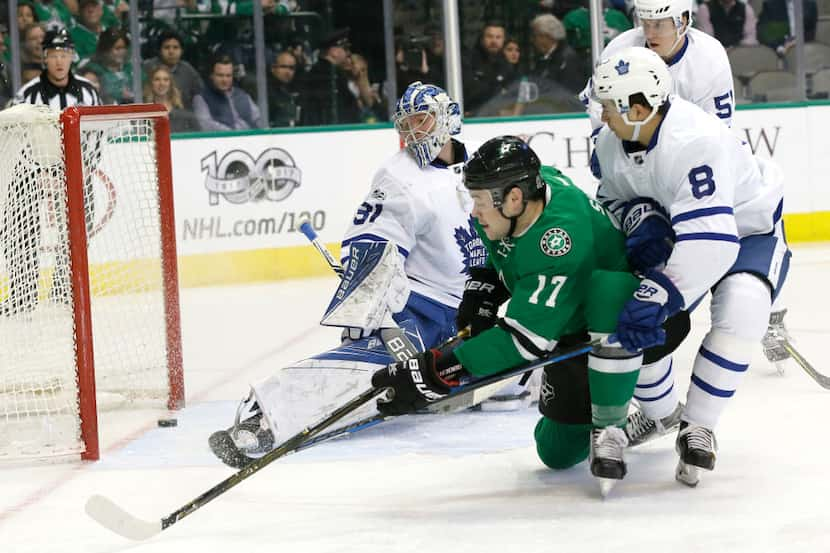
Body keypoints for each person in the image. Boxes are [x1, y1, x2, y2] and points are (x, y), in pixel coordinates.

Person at [370, 135, 690, 493]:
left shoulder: (559, 240)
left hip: (634, 324)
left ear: (514, 198)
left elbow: (522, 344)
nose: (473, 212)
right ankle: (614, 395)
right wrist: (487, 287)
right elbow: (510, 259)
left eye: (478, 201)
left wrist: (434, 372)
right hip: (566, 322)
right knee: (555, 452)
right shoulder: (525, 194)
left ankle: (614, 421)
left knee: (607, 290)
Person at [208, 81, 488, 468]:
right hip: (420, 309)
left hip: (476, 304)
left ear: (447, 120)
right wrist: (373, 313)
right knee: (369, 366)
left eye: (421, 122)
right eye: (405, 125)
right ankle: (266, 418)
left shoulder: (480, 168)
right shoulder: (398, 176)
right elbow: (373, 243)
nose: (412, 133)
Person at [590, 46, 789, 486]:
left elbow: (713, 245)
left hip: (745, 228)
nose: (601, 116)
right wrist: (640, 217)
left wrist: (657, 294)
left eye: (608, 105)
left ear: (638, 108)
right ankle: (661, 415)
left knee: (743, 308)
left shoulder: (694, 140)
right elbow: (610, 200)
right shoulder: (611, 141)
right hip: (685, 230)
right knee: (629, 314)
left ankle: (698, 424)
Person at [3, 29, 101, 316]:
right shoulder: (28, 93)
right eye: (53, 55)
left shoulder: (88, 91)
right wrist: (39, 172)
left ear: (72, 56)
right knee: (22, 230)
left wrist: (83, 167)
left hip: (76, 171)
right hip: (31, 175)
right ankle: (22, 295)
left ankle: (64, 286)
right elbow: (16, 137)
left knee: (79, 228)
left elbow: (95, 135)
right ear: (44, 57)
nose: (59, 61)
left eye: (64, 54)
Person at [580, 0, 735, 128]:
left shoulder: (709, 56)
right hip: (630, 147)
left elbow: (718, 127)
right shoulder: (620, 49)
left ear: (683, 21)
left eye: (659, 25)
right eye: (645, 24)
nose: (649, 34)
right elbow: (597, 101)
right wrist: (603, 142)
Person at [300, 28, 361, 126]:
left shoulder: (319, 71)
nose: (348, 53)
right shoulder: (331, 75)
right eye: (345, 48)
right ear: (334, 51)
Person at [192, 54, 264, 131]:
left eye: (228, 76)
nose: (225, 80)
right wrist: (233, 134)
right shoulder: (201, 98)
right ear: (211, 75)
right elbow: (206, 125)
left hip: (252, 139)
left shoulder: (242, 95)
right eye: (220, 75)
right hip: (224, 141)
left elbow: (258, 119)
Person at [529, 13, 589, 96]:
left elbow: (570, 91)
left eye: (535, 36)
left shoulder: (567, 59)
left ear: (547, 36)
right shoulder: (543, 59)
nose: (533, 40)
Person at [141, 30, 203, 110]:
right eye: (167, 47)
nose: (171, 51)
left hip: (184, 118)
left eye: (175, 47)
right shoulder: (148, 68)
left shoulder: (188, 70)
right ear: (159, 50)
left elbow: (200, 96)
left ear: (182, 51)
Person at [461, 21, 513, 115]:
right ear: (481, 39)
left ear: (503, 40)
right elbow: (470, 92)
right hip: (473, 116)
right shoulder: (468, 60)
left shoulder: (506, 64)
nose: (494, 41)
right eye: (489, 36)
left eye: (498, 37)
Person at [78, 27, 134, 104]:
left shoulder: (130, 68)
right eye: (117, 48)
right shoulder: (93, 71)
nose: (121, 52)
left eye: (123, 48)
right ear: (105, 49)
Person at [143, 65, 198, 132]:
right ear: (151, 83)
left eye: (166, 80)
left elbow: (198, 135)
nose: (162, 83)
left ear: (171, 84)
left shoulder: (183, 109)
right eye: (157, 79)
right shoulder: (144, 113)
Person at [267, 50, 301, 127]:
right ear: (273, 68)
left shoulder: (295, 88)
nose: (288, 72)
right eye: (284, 67)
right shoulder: (265, 92)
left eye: (292, 68)